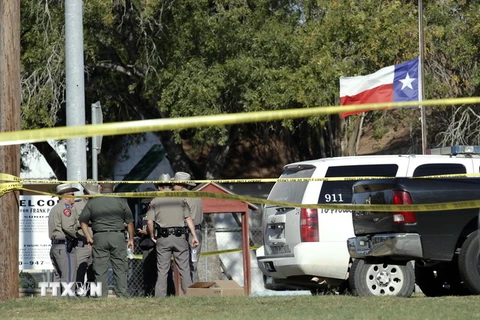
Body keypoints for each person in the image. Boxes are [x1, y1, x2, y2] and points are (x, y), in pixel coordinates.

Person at [146, 173, 200, 297]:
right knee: (184, 269)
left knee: (162, 270)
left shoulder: (154, 201)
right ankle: (189, 295)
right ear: (171, 186)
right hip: (180, 237)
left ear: (159, 187)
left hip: (163, 238)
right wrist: (194, 236)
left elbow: (149, 222)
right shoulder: (181, 200)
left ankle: (160, 297)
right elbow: (188, 219)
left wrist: (151, 236)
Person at [79, 181, 134, 298]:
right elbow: (130, 222)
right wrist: (131, 239)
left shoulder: (93, 202)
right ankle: (122, 295)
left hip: (99, 237)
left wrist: (88, 237)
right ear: (113, 188)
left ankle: (100, 296)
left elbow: (82, 221)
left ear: (101, 188)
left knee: (100, 268)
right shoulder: (120, 201)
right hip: (117, 236)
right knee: (120, 267)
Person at [171, 171, 203, 283]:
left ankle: (191, 289)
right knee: (193, 263)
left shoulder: (181, 197)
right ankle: (195, 288)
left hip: (188, 232)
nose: (172, 187)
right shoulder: (196, 196)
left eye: (174, 184)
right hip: (197, 231)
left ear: (180, 185)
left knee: (186, 264)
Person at [48, 183, 80, 284]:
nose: (74, 197)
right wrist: (79, 237)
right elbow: (68, 227)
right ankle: (68, 299)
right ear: (66, 196)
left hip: (56, 246)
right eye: (72, 195)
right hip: (65, 247)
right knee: (69, 277)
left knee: (58, 277)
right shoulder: (66, 208)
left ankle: (57, 300)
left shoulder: (55, 208)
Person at [73, 182, 98, 295]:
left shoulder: (99, 205)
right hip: (81, 243)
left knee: (93, 271)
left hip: (96, 243)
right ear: (85, 193)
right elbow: (73, 223)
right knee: (79, 271)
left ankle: (90, 294)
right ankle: (78, 293)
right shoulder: (76, 206)